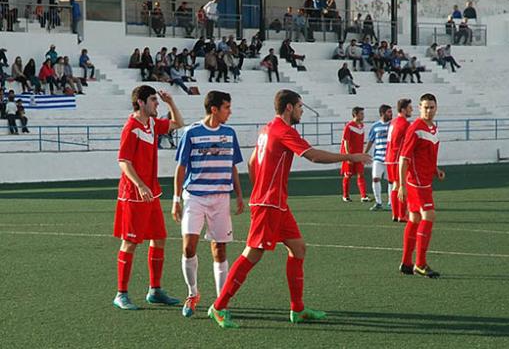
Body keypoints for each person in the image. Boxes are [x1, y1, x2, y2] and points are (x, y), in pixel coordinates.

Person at [207, 90, 372, 328]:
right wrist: (351, 156)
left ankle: (298, 309)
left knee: (298, 247)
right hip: (269, 204)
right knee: (252, 253)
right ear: (288, 108)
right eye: (299, 107)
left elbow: (253, 162)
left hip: (275, 203)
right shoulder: (284, 131)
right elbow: (313, 156)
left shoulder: (267, 128)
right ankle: (219, 306)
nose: (301, 111)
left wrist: (260, 190)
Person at [172, 91, 244, 318]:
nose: (229, 112)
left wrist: (240, 196)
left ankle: (221, 303)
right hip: (194, 196)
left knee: (219, 249)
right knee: (188, 247)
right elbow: (181, 168)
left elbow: (233, 166)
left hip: (221, 198)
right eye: (226, 107)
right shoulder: (191, 132)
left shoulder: (230, 134)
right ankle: (192, 293)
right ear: (214, 109)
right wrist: (175, 200)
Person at [112, 85, 185, 310]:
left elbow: (178, 124)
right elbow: (124, 161)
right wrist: (141, 185)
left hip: (150, 193)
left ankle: (155, 290)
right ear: (141, 103)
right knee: (131, 242)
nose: (157, 103)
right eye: (153, 100)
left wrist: (171, 102)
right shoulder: (131, 127)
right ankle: (121, 294)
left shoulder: (151, 124)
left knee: (159, 237)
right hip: (134, 194)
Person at [398, 93, 445, 278]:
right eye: (425, 107)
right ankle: (420, 263)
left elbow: (427, 155)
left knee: (416, 218)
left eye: (432, 107)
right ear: (419, 108)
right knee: (429, 215)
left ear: (436, 108)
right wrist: (401, 185)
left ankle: (406, 262)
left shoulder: (433, 128)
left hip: (426, 179)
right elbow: (404, 158)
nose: (429, 110)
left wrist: (436, 170)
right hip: (417, 181)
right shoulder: (415, 128)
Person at [385, 99, 413, 222]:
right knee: (402, 185)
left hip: (390, 158)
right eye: (409, 108)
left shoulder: (393, 122)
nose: (411, 110)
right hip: (398, 159)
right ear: (403, 109)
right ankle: (402, 215)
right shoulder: (405, 124)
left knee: (395, 185)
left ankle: (395, 214)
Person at [365, 104, 393, 211]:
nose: (391, 114)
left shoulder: (393, 125)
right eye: (389, 112)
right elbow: (371, 141)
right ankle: (378, 202)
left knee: (391, 181)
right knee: (375, 178)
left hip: (390, 158)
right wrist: (364, 153)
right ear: (382, 113)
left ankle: (391, 203)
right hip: (378, 157)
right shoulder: (375, 126)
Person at [340, 107, 370, 202]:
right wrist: (348, 156)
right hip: (350, 155)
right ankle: (345, 195)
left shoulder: (362, 125)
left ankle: (363, 196)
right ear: (355, 115)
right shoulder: (349, 126)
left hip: (359, 155)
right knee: (348, 175)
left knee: (360, 174)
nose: (363, 115)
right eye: (361, 114)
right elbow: (346, 141)